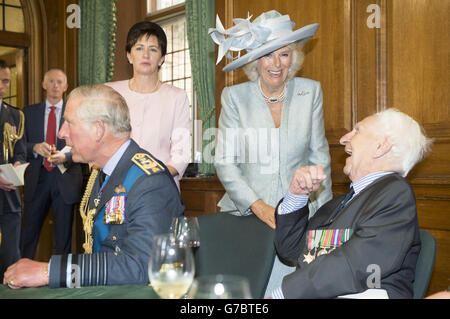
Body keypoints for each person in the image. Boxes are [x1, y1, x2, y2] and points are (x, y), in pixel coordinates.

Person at [3, 84, 184, 289]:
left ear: (98, 130)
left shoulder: (150, 183)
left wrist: (49, 271)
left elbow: (140, 267)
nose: (62, 133)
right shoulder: (105, 170)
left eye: (69, 123)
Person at [210, 10, 332, 297]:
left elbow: (320, 158)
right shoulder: (235, 98)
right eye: (268, 55)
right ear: (255, 60)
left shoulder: (310, 92)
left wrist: (324, 222)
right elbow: (225, 162)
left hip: (300, 219)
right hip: (248, 218)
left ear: (294, 57)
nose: (276, 64)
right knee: (252, 293)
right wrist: (259, 205)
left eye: (284, 54)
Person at [272, 108, 433, 299]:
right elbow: (290, 249)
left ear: (381, 147)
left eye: (358, 130)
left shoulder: (395, 194)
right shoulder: (340, 203)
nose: (343, 139)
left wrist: (284, 293)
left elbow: (355, 264)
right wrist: (296, 195)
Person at [106, 21, 191, 190]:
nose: (145, 55)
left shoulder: (176, 96)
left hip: (160, 187)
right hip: (115, 187)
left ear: (161, 58)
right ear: (129, 56)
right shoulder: (111, 92)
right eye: (139, 48)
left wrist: (151, 177)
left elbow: (181, 154)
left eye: (153, 49)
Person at [20, 69, 83, 259]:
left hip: (65, 178)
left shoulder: (77, 114)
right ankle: (19, 274)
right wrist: (34, 147)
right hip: (37, 178)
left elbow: (85, 146)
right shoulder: (28, 113)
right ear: (44, 85)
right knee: (27, 235)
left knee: (63, 237)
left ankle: (59, 281)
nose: (55, 85)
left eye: (59, 82)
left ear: (66, 87)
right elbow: (18, 145)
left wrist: (66, 157)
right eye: (51, 81)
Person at [0, 59, 26, 282]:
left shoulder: (16, 115)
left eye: (6, 81)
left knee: (10, 256)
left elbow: (20, 151)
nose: (2, 85)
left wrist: (18, 165)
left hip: (9, 197)